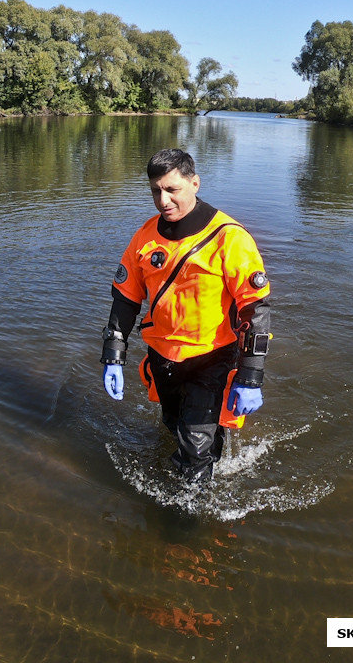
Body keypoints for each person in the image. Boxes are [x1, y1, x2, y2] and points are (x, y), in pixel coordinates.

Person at [100, 148, 271, 483]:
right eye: (155, 191)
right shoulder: (145, 237)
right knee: (174, 426)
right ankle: (210, 456)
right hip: (162, 359)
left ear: (195, 183)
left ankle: (184, 526)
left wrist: (250, 376)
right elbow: (125, 299)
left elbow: (257, 310)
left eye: (172, 190)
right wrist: (113, 355)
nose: (163, 200)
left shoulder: (229, 238)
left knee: (193, 452)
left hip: (211, 359)